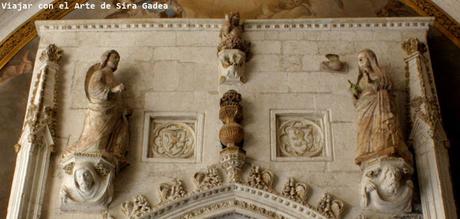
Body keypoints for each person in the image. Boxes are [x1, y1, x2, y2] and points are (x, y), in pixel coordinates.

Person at [62, 50, 130, 168]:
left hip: (112, 112)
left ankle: (105, 150)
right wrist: (114, 90)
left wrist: (124, 108)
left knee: (111, 132)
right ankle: (83, 151)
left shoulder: (113, 78)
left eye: (118, 59)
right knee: (95, 134)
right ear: (106, 58)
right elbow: (94, 88)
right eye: (114, 57)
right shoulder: (100, 73)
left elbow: (117, 98)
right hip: (99, 110)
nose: (116, 60)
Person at [349, 49, 412, 165]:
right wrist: (354, 95)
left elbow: (387, 87)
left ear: (371, 59)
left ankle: (383, 146)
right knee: (364, 128)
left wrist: (372, 82)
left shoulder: (379, 74)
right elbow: (357, 101)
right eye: (359, 60)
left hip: (379, 104)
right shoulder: (360, 80)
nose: (361, 62)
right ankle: (366, 151)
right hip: (364, 108)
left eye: (363, 58)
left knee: (381, 124)